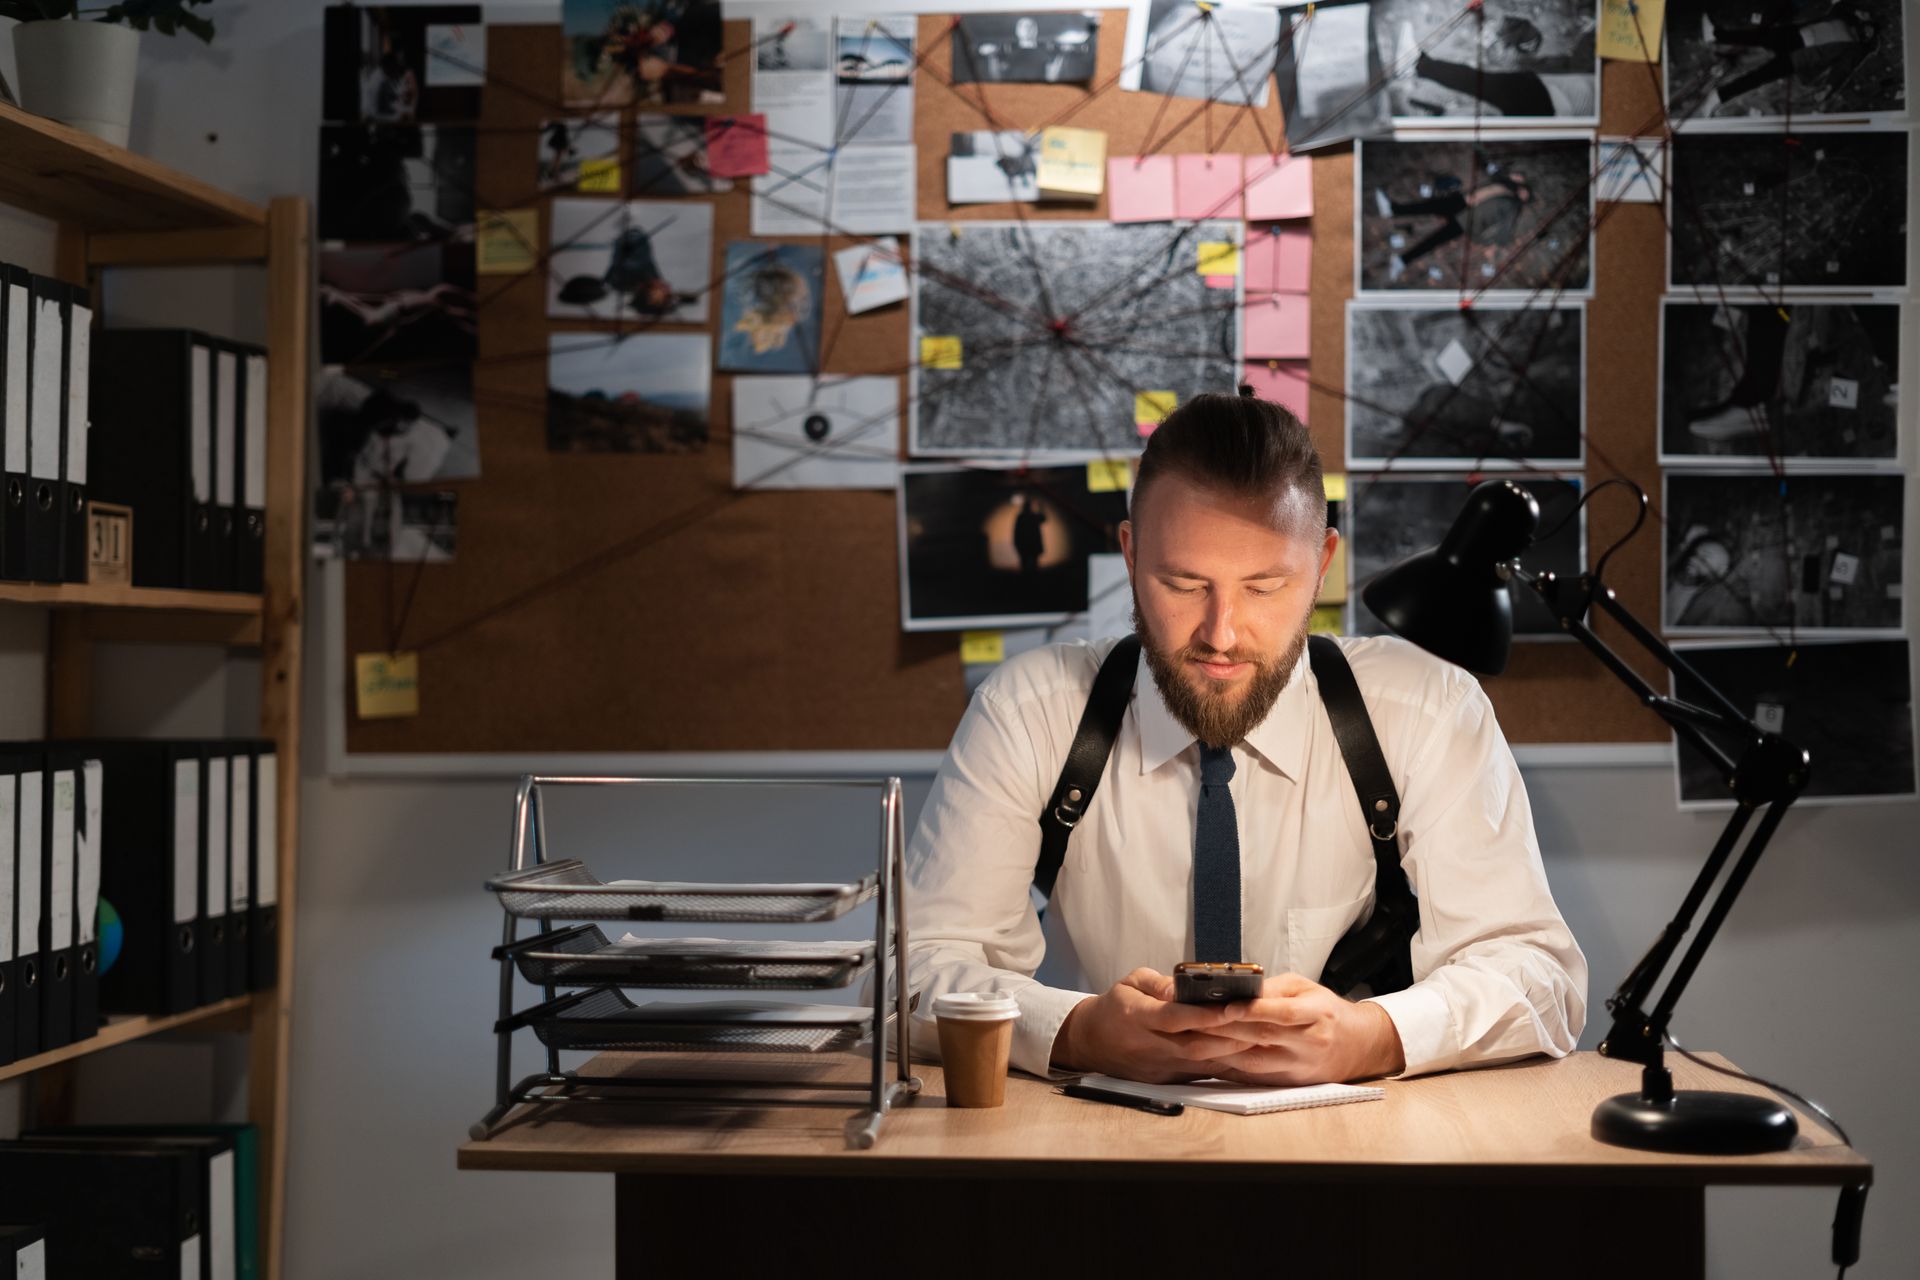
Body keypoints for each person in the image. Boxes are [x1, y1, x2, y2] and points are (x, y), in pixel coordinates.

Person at [905, 393, 1586, 1085]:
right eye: (1182, 582)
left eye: (1265, 586)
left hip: (1361, 1154)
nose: (1221, 634)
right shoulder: (1029, 711)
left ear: (1322, 565)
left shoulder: (1427, 710)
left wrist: (1374, 1037)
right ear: (1131, 555)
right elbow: (918, 970)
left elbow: (1538, 977)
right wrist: (1078, 1033)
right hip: (1107, 1150)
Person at [1699, 3, 1879, 116]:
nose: (1868, 32)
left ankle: (1719, 97)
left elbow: (1843, 69)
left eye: (1871, 34)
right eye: (1869, 28)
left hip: (1800, 57)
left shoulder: (1853, 49)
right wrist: (1860, 12)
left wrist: (1829, 88)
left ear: (1868, 40)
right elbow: (1840, 6)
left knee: (1760, 76)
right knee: (1756, 36)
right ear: (1864, 23)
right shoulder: (1845, 18)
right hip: (1795, 34)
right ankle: (1716, 35)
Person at [1373, 167, 1533, 281]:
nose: (1522, 191)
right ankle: (1393, 209)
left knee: (1434, 240)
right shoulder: (1503, 182)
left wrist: (1496, 245)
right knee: (1427, 207)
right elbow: (1494, 175)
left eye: (1526, 194)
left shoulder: (1513, 206)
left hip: (1469, 220)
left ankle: (1402, 261)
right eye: (1522, 185)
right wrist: (1512, 177)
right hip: (1462, 203)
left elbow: (1506, 228)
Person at [1012, 495, 1047, 575]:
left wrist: (1017, 544)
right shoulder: (1028, 517)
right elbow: (1043, 518)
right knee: (1030, 565)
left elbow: (1016, 533)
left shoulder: (1022, 517)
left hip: (1026, 545)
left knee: (1028, 565)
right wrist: (1041, 506)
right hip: (1028, 545)